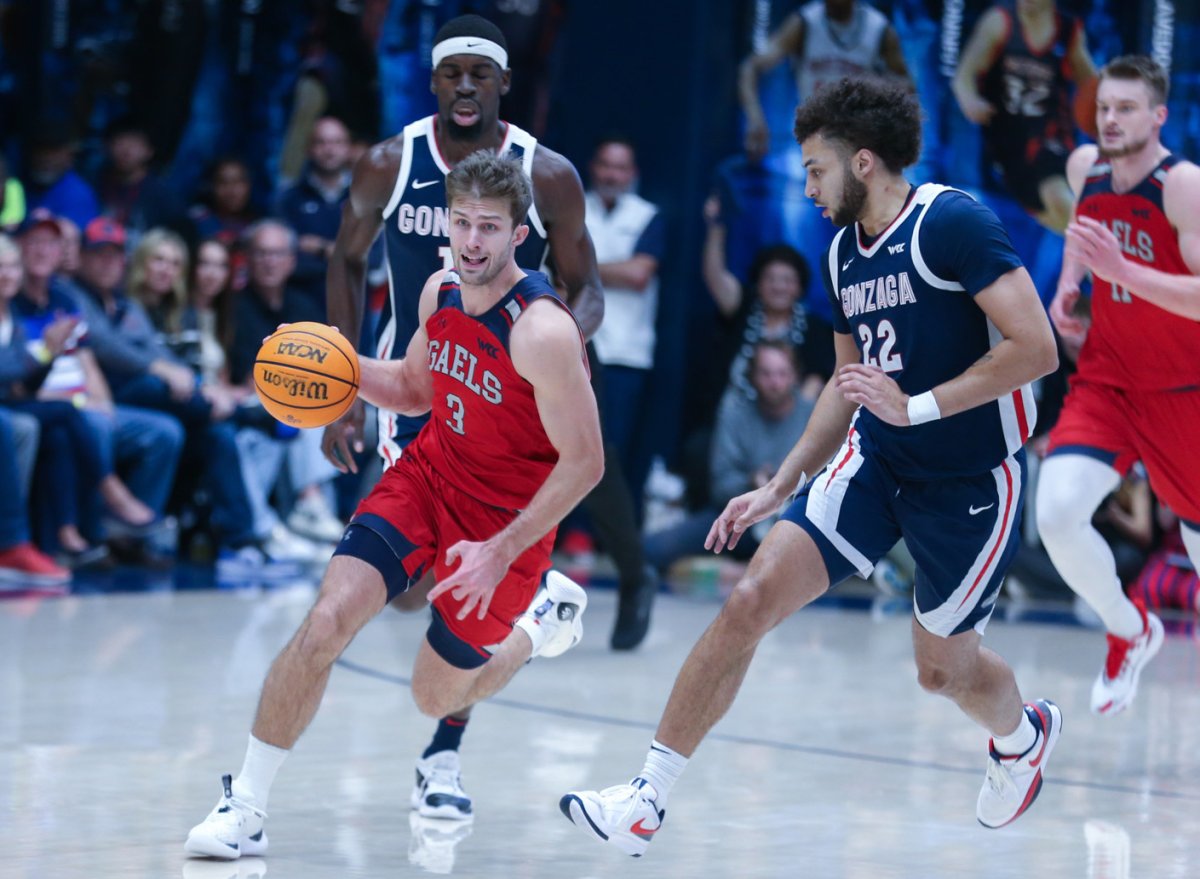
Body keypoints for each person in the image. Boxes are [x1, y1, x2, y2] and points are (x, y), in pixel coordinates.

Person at [560, 77, 1061, 856]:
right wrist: (782, 480)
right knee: (749, 598)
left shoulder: (952, 223)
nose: (807, 186)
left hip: (970, 480)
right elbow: (844, 382)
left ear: (863, 163)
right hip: (877, 462)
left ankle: (1023, 737)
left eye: (815, 169)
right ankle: (646, 797)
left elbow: (1036, 349)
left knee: (943, 672)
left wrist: (915, 406)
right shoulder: (838, 254)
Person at [184, 150, 604, 861]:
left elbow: (587, 464)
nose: (473, 241)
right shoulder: (439, 291)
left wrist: (501, 549)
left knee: (433, 696)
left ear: (517, 235)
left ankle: (538, 624)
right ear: (446, 222)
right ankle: (246, 805)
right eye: (463, 222)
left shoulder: (543, 330)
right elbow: (415, 387)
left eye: (490, 228)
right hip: (427, 479)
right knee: (325, 620)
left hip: (504, 526)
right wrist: (326, 371)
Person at [320, 13, 652, 818]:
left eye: (481, 74)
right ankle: (540, 609)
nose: (465, 86)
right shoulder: (390, 163)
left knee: (457, 594)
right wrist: (339, 385)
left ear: (505, 83)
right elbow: (344, 259)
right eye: (451, 73)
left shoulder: (549, 175)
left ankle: (443, 756)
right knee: (406, 592)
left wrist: (561, 343)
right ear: (433, 82)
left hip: (506, 403)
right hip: (420, 384)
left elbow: (590, 285)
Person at [1036, 55, 1200, 717]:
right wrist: (1068, 286)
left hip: (1181, 388)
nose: (1111, 118)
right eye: (1105, 106)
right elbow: (1085, 237)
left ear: (1158, 115)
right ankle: (1129, 630)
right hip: (1105, 381)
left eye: (1126, 108)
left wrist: (1123, 271)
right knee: (1056, 512)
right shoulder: (1085, 169)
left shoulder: (1183, 185)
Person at [645, 341, 815, 574]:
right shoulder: (734, 412)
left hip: (795, 520)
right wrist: (753, 481)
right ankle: (738, 567)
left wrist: (783, 486)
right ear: (752, 376)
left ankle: (739, 569)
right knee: (653, 549)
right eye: (766, 374)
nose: (775, 383)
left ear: (796, 376)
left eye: (782, 374)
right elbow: (721, 485)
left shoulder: (813, 414)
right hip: (738, 516)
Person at [952, 0, 1096, 233]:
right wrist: (970, 101)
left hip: (1052, 136)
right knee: (1052, 216)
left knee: (1056, 196)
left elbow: (1092, 86)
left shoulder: (1068, 31)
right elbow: (963, 77)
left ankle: (1111, 256)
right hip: (1009, 142)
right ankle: (1102, 260)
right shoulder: (999, 22)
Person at [584, 135, 665, 514]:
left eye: (621, 167)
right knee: (568, 444)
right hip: (577, 345)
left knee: (611, 450)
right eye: (606, 165)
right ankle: (570, 535)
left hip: (626, 353)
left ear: (632, 173)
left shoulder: (648, 215)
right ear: (594, 167)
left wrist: (583, 269)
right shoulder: (573, 208)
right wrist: (614, 267)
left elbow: (638, 274)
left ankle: (607, 539)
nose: (612, 174)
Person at [739, 0, 910, 162]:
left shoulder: (878, 29)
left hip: (859, 140)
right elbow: (751, 67)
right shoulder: (804, 23)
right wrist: (755, 118)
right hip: (812, 135)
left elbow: (907, 87)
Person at [277, 116, 354, 310]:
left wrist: (320, 248)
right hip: (301, 306)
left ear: (348, 148)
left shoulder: (365, 197)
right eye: (322, 142)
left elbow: (374, 263)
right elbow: (288, 263)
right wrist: (343, 255)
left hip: (354, 308)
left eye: (337, 142)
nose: (330, 150)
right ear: (309, 148)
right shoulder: (289, 199)